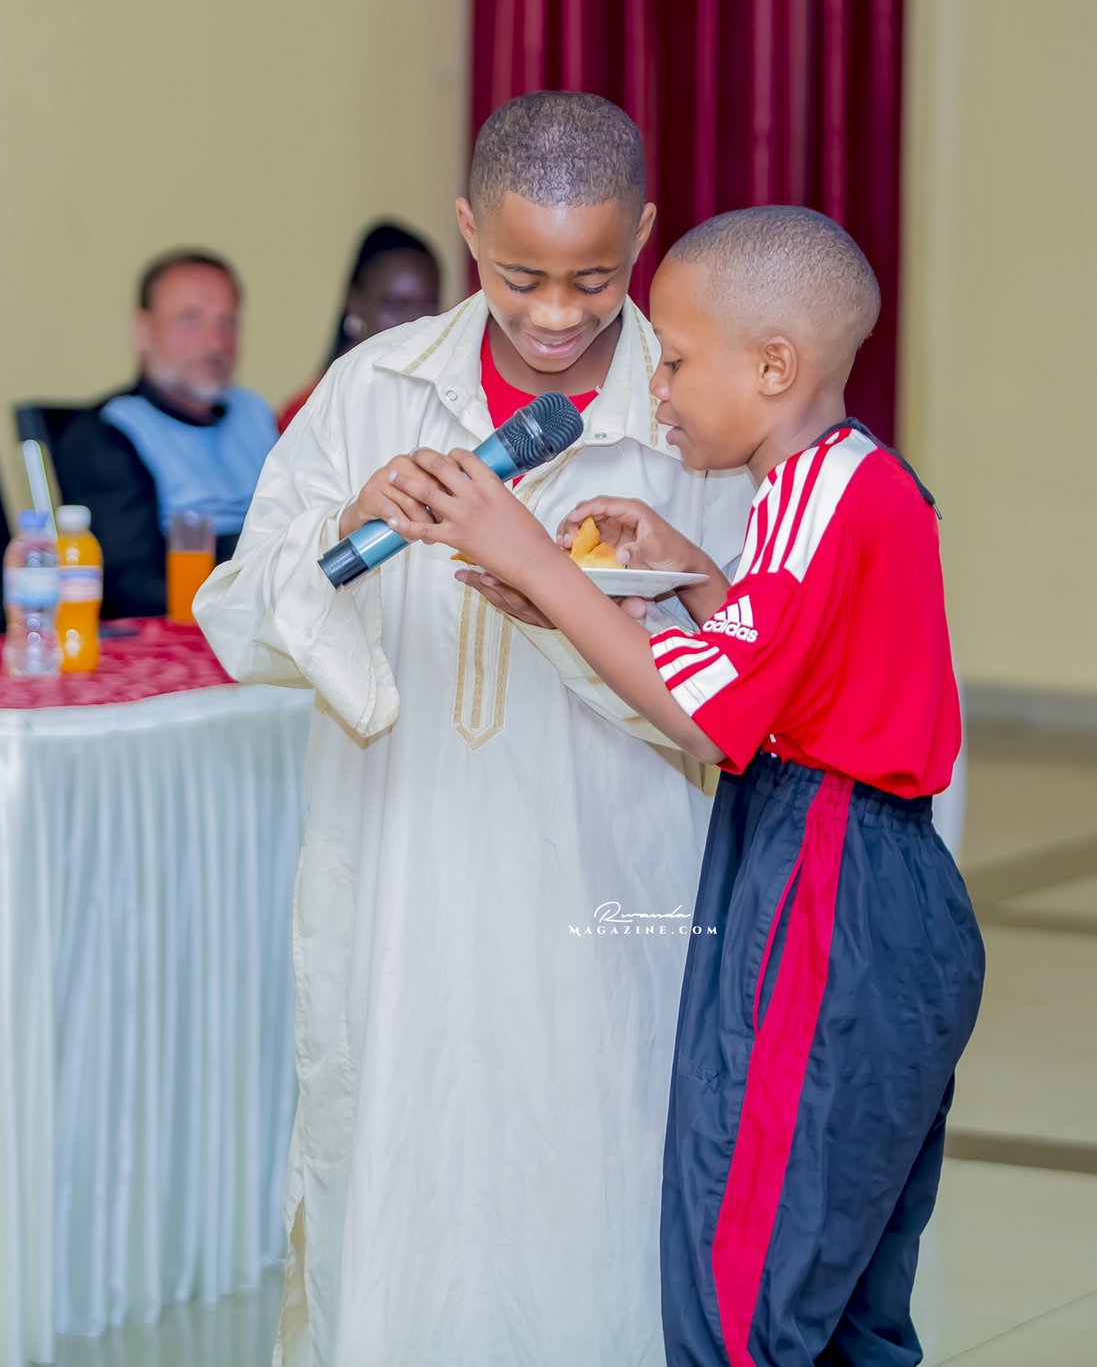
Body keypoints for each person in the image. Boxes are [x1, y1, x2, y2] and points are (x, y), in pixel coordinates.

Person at [194, 92, 755, 1365]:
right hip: (407, 883)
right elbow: (237, 618)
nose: (554, 315)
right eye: (517, 277)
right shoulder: (374, 389)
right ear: (464, 232)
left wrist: (604, 593)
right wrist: (346, 529)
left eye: (593, 281)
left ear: (644, 238)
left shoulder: (700, 418)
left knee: (593, 1189)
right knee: (405, 1203)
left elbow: (746, 684)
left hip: (606, 892)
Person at [389, 207, 983, 1366]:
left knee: (743, 1290)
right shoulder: (853, 480)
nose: (653, 388)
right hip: (880, 882)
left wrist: (533, 559)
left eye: (669, 360)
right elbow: (798, 675)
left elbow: (706, 716)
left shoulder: (812, 491)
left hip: (825, 884)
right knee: (845, 1305)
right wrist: (693, 578)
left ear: (773, 367)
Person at [55, 250, 277, 617]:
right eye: (190, 319)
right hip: (196, 626)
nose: (215, 343)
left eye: (228, 322)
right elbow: (135, 584)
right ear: (142, 331)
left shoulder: (253, 412)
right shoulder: (109, 432)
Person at [276, 220, 441, 432]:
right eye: (396, 305)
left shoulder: (442, 402)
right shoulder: (309, 414)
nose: (417, 321)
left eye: (430, 305)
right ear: (354, 303)